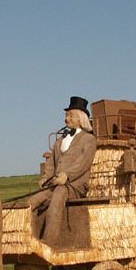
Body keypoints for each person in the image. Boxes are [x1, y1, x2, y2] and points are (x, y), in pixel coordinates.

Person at [28, 96, 97, 248]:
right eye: (66, 115)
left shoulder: (88, 140)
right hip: (55, 183)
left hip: (75, 185)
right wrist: (45, 178)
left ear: (80, 119)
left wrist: (66, 176)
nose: (67, 119)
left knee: (58, 197)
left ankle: (49, 241)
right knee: (34, 200)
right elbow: (51, 164)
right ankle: (26, 236)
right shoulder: (60, 141)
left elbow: (82, 164)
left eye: (70, 115)